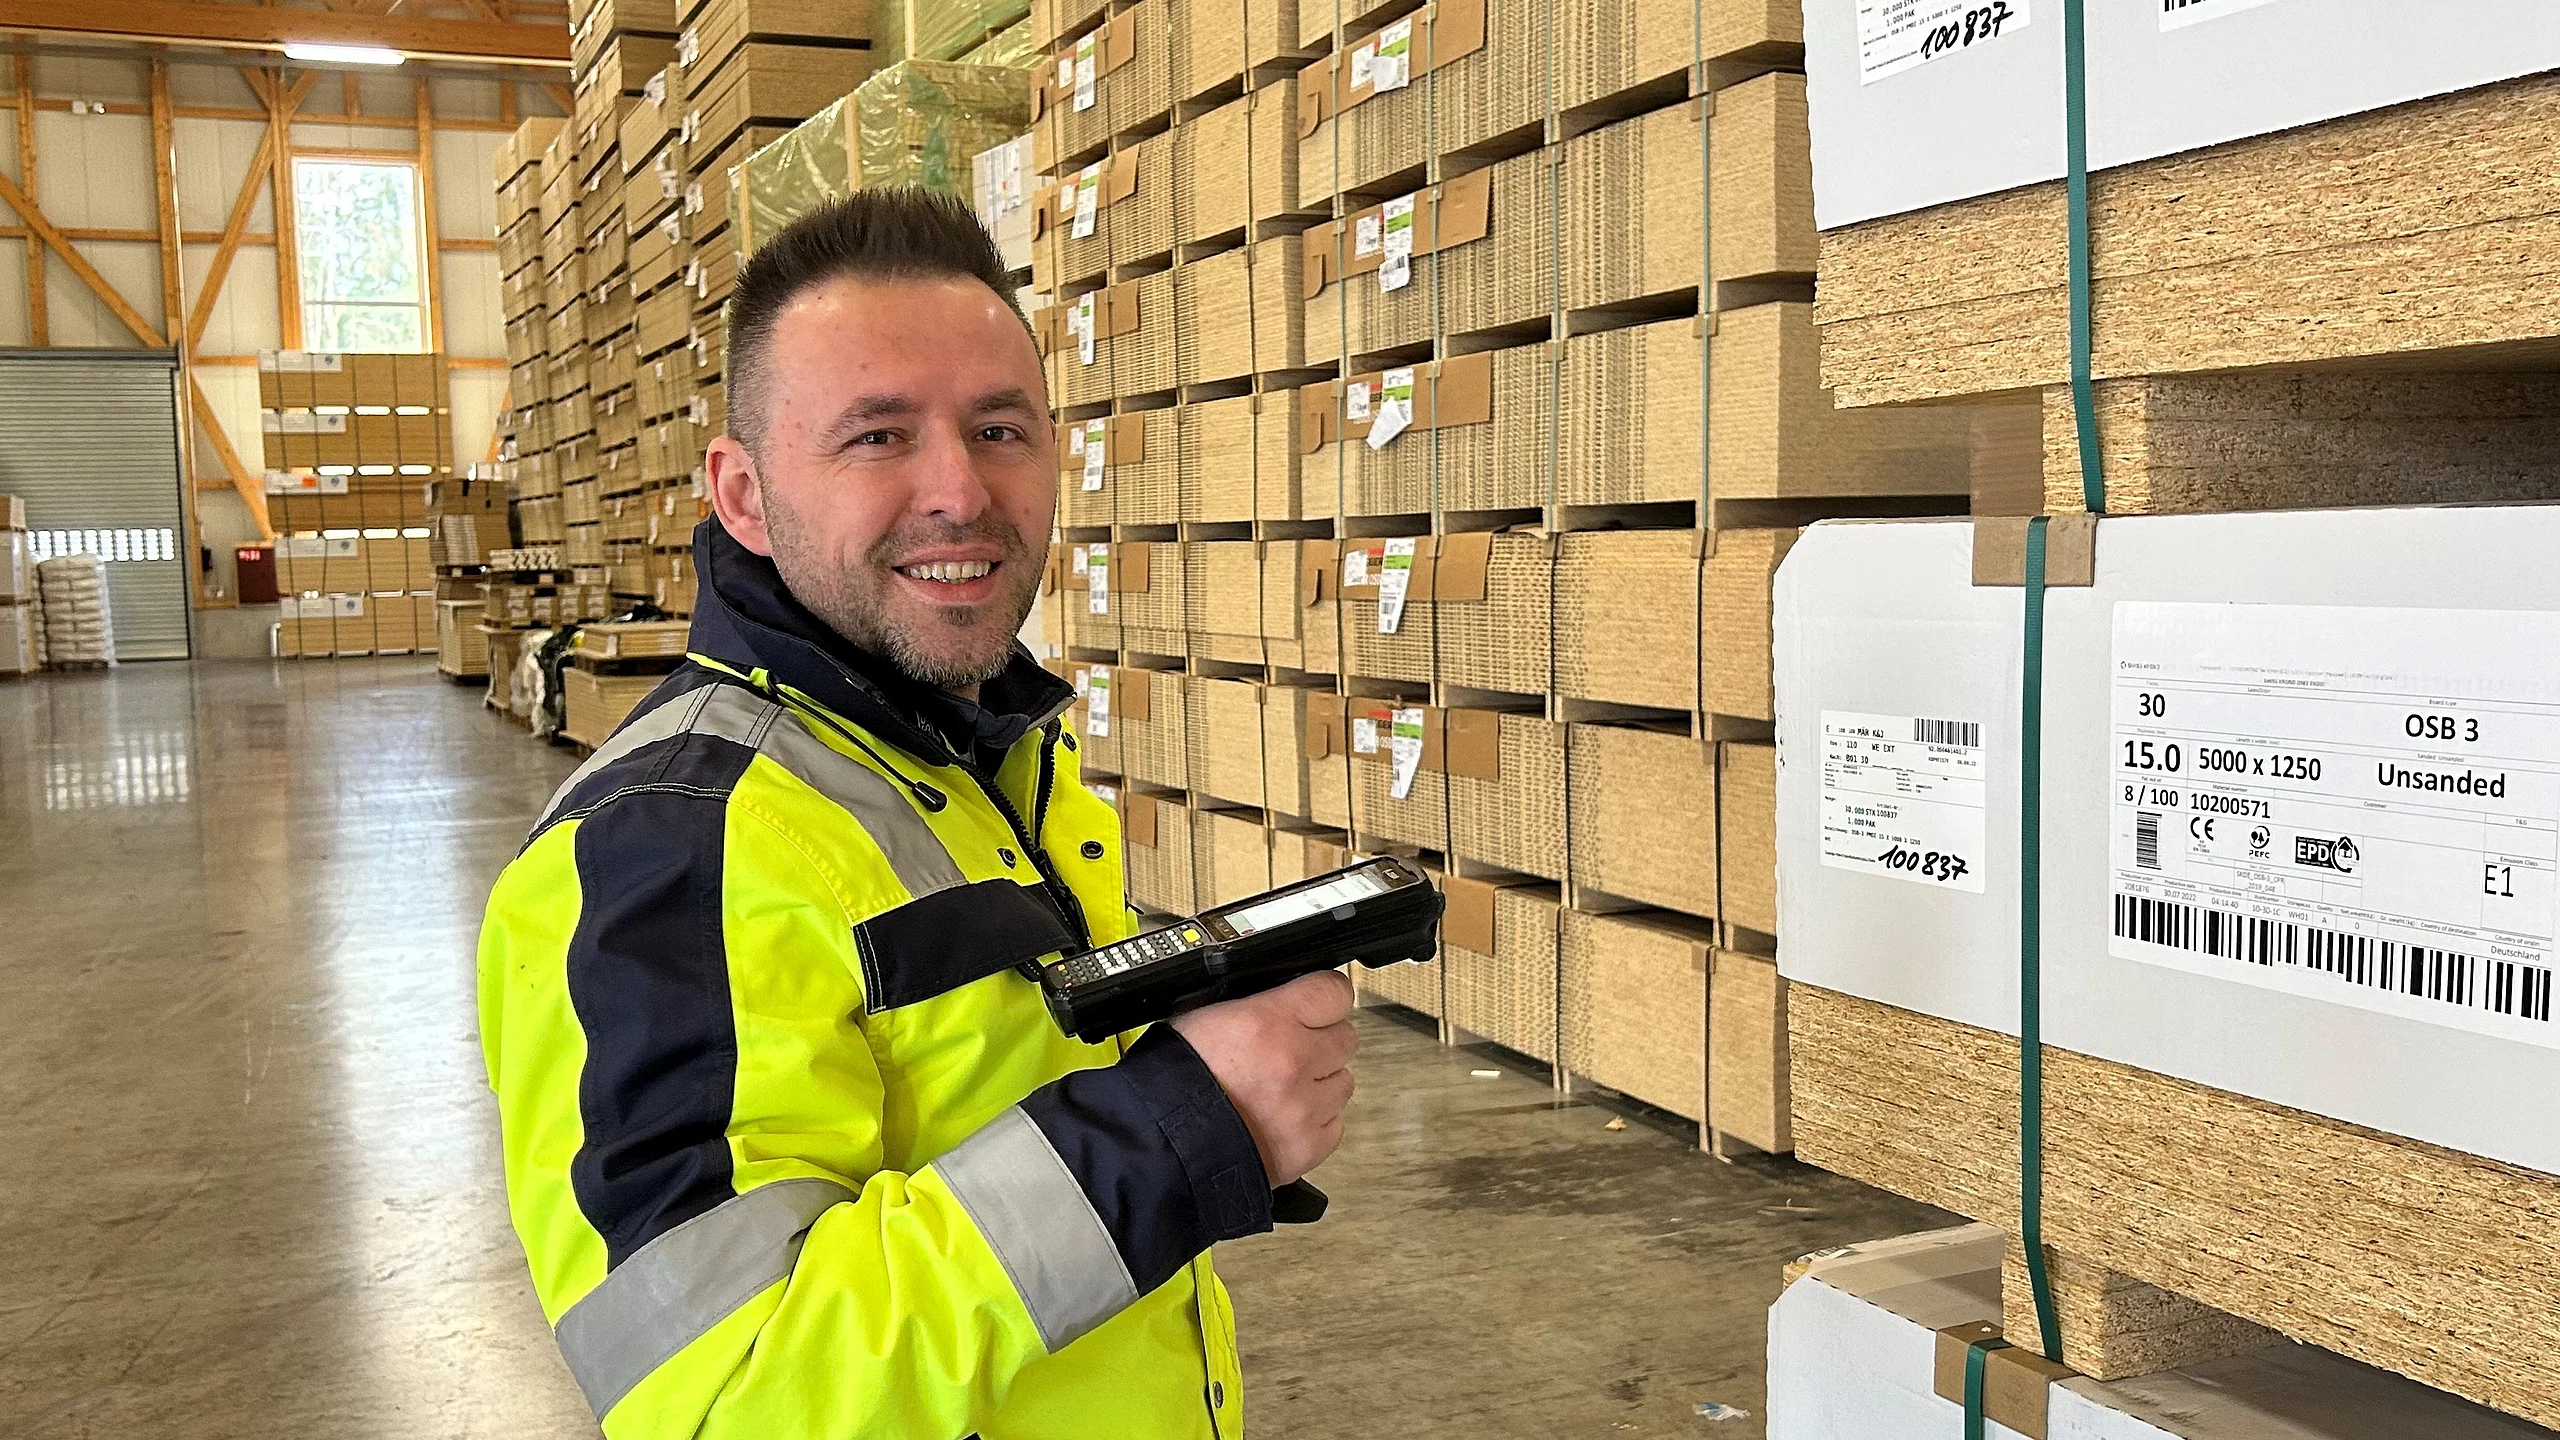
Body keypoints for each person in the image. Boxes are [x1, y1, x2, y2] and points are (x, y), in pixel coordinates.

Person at [476, 188, 1358, 1439]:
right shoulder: (666, 851)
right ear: (742, 493)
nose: (959, 490)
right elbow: (729, 1392)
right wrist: (1175, 1128)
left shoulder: (979, 752)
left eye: (999, 429)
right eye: (878, 436)